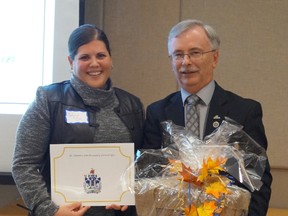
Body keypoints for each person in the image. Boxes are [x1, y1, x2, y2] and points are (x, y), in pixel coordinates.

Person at [142, 19, 272, 216]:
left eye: (195, 52)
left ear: (215, 58)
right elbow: (147, 177)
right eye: (178, 54)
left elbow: (258, 180)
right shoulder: (157, 113)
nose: (186, 62)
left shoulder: (244, 111)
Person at [12, 24, 144, 216]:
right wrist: (49, 210)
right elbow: (23, 164)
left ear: (110, 59)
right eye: (84, 57)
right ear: (70, 61)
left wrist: (131, 195)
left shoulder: (133, 105)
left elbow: (142, 163)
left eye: (101, 55)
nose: (94, 63)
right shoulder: (48, 100)